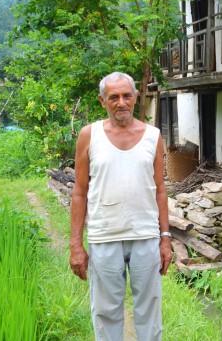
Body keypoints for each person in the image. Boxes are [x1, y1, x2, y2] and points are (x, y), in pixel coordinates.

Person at [69, 71, 172, 340]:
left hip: (145, 237)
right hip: (104, 238)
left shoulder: (153, 135)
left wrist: (165, 238)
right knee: (105, 312)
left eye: (127, 95)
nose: (121, 102)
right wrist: (76, 245)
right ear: (102, 101)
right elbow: (79, 192)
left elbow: (160, 190)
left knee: (149, 311)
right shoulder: (89, 135)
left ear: (136, 97)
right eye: (113, 97)